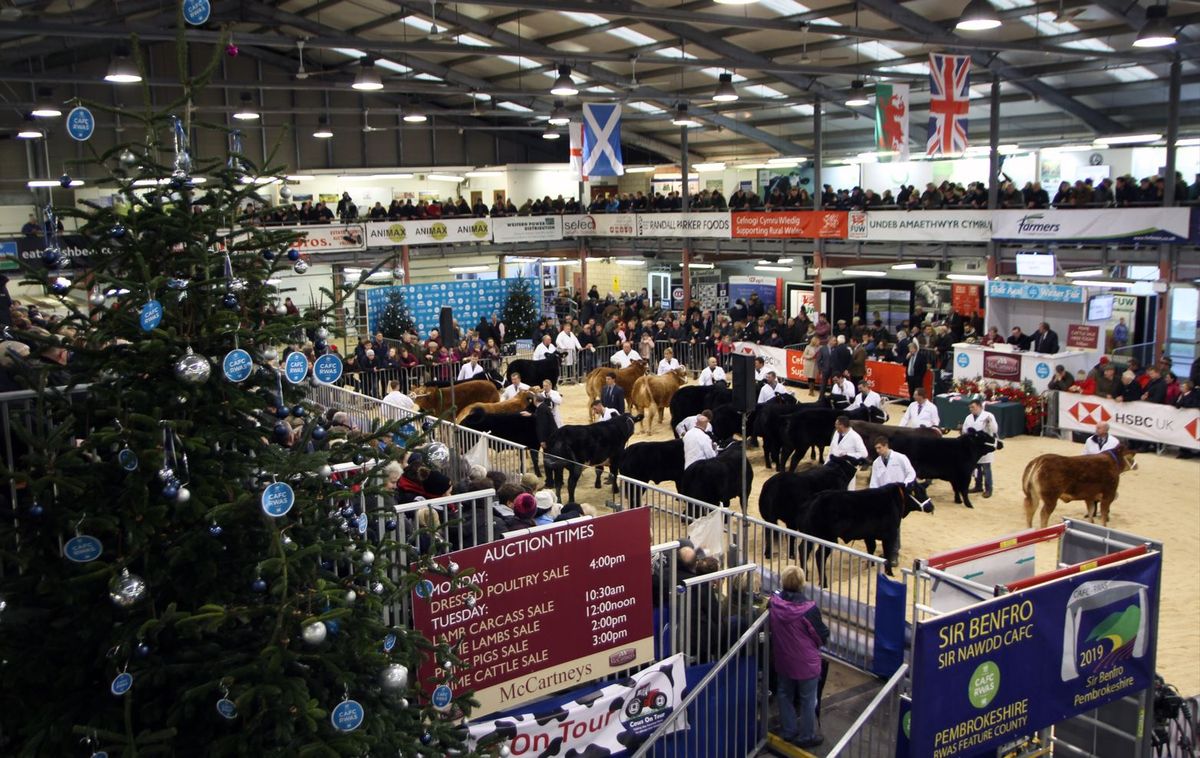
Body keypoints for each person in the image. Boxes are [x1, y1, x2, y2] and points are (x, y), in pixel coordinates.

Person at [769, 565, 830, 750]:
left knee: (784, 693)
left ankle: (788, 731)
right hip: (806, 663)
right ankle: (806, 735)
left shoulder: (774, 603)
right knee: (808, 699)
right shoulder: (809, 609)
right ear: (802, 584)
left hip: (783, 659)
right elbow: (822, 636)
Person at [962, 398, 998, 499]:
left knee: (986, 468)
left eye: (973, 407)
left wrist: (990, 423)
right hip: (973, 447)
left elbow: (995, 430)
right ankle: (978, 486)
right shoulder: (968, 417)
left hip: (985, 446)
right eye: (970, 408)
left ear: (979, 406)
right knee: (976, 467)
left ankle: (988, 489)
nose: (971, 409)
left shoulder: (989, 416)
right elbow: (965, 430)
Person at [828, 416, 868, 490]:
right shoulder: (836, 433)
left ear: (842, 425)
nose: (835, 426)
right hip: (833, 466)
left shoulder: (855, 437)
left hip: (847, 469)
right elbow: (832, 449)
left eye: (836, 424)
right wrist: (826, 464)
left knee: (848, 489)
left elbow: (864, 453)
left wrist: (848, 455)